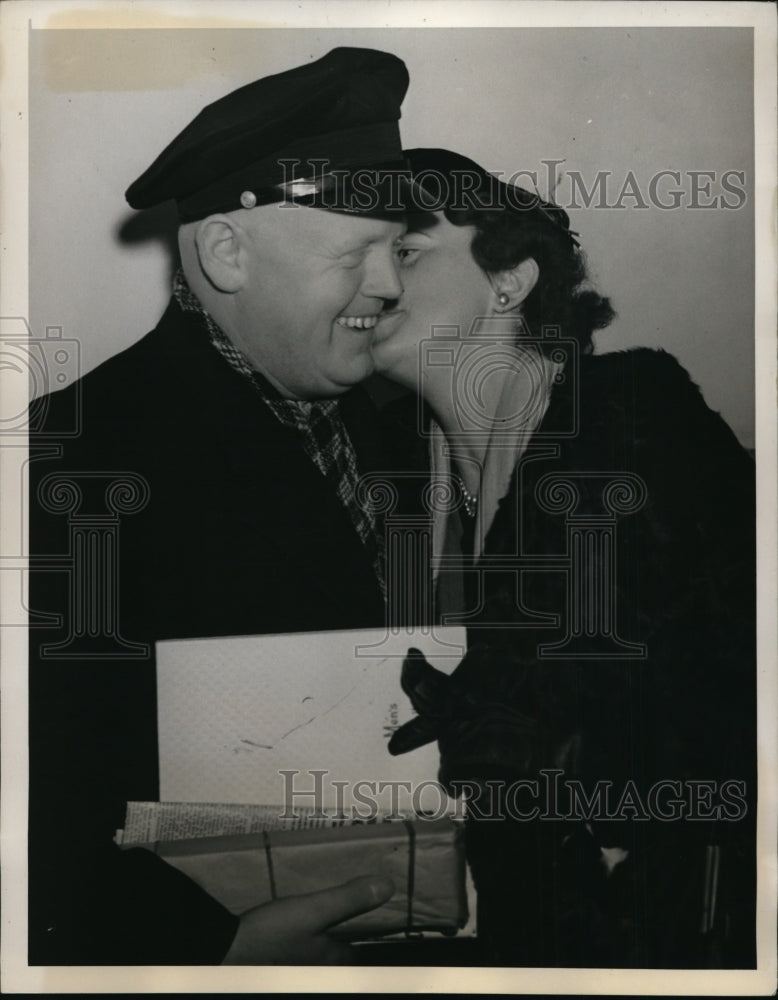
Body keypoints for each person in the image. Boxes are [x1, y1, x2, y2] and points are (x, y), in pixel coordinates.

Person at [27, 47, 419, 966]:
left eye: (396, 248)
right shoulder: (74, 458)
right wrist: (210, 949)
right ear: (226, 251)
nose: (392, 284)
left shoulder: (388, 428)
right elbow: (37, 789)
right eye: (355, 251)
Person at [373, 148, 757, 967]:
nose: (373, 276)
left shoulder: (629, 415)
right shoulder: (400, 486)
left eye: (405, 248)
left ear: (508, 279)